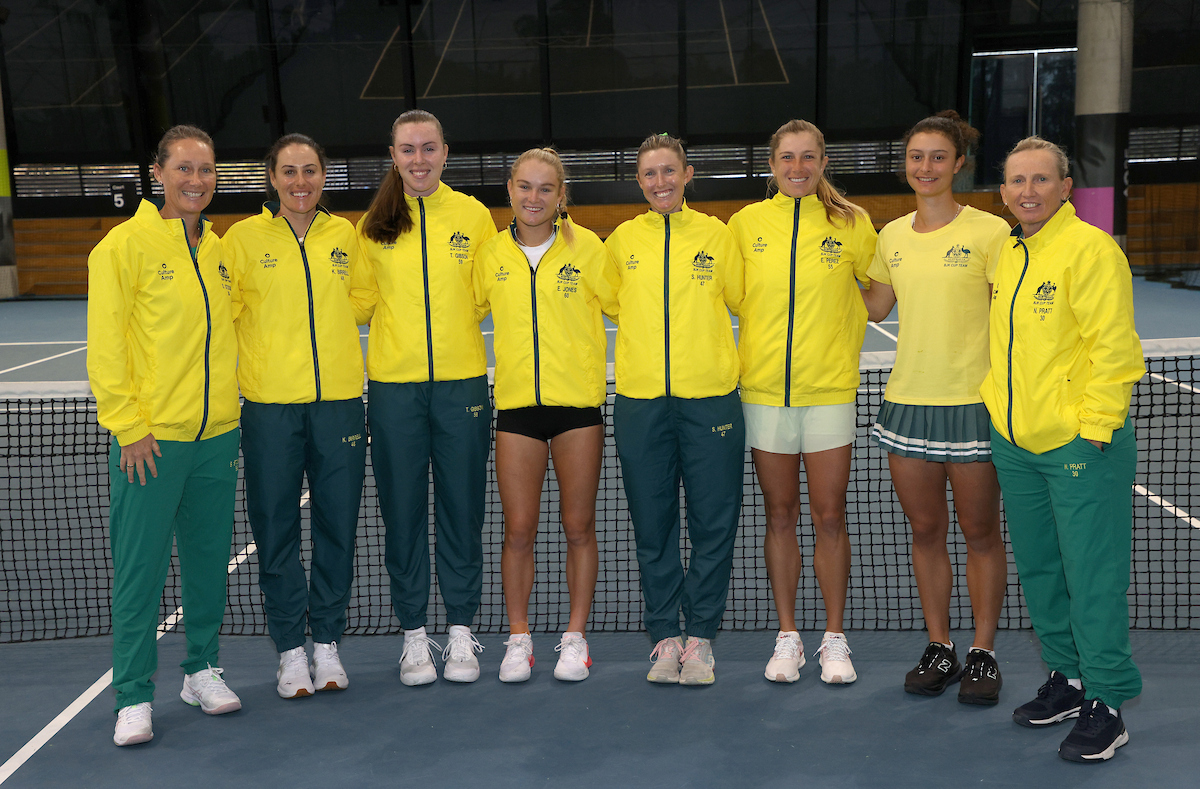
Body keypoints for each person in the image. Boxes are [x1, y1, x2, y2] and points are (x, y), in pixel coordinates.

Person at [981, 136, 1144, 762]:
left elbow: (1115, 349)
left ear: (1064, 186)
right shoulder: (1007, 253)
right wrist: (1001, 414)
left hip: (1081, 444)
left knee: (1092, 576)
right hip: (1016, 443)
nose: (1028, 191)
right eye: (1016, 181)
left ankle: (1107, 700)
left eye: (1040, 180)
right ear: (1003, 192)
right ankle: (1069, 680)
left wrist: (1095, 427)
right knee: (1043, 570)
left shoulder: (1090, 249)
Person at [87, 125, 242, 747]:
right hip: (149, 443)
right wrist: (128, 428)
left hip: (217, 439)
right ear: (158, 173)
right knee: (140, 573)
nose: (195, 180)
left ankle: (201, 668)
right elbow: (106, 349)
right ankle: (132, 696)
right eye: (183, 169)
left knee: (209, 566)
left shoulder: (221, 249)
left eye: (205, 170)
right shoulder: (121, 249)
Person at [860, 111, 1010, 704]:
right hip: (907, 406)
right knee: (924, 531)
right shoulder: (890, 236)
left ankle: (983, 653)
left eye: (938, 157)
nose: (926, 167)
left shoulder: (989, 232)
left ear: (958, 163)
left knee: (979, 533)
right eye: (916, 156)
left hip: (973, 405)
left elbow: (1011, 311)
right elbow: (874, 306)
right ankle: (940, 645)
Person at [727, 119, 876, 685]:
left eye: (807, 157)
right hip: (763, 395)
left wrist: (844, 325)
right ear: (772, 163)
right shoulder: (744, 225)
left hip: (830, 393)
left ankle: (834, 638)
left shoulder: (853, 223)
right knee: (780, 514)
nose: (797, 167)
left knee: (830, 515)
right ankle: (787, 635)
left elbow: (880, 293)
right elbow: (731, 294)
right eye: (787, 157)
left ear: (822, 163)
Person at [351, 110, 498, 684]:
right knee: (403, 513)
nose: (419, 159)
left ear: (445, 152)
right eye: (408, 150)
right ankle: (414, 633)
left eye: (428, 148)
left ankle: (460, 630)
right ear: (393, 155)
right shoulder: (374, 223)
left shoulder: (474, 216)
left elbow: (487, 294)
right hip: (393, 390)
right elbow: (359, 302)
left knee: (463, 510)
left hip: (462, 385)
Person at [224, 134, 365, 699]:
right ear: (273, 178)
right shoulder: (240, 239)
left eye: (309, 170)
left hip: (338, 405)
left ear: (323, 176)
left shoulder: (344, 235)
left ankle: (326, 643)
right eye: (289, 171)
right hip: (269, 410)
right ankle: (289, 651)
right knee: (276, 530)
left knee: (338, 526)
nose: (300, 181)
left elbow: (362, 301)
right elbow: (225, 315)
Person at [473, 148, 618, 682]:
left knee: (579, 527)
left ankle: (575, 638)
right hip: (516, 410)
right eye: (524, 187)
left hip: (578, 408)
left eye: (545, 189)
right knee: (519, 530)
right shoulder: (489, 256)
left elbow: (631, 306)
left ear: (561, 197)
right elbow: (461, 314)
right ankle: (518, 637)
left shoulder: (590, 250)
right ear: (509, 189)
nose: (534, 198)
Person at [604, 133, 744, 686]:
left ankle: (702, 637)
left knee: (713, 523)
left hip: (710, 399)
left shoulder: (718, 236)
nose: (660, 182)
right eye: (648, 175)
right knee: (653, 524)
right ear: (639, 182)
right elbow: (614, 302)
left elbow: (744, 301)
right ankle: (665, 636)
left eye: (669, 171)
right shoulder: (620, 240)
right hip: (641, 404)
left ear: (688, 173)